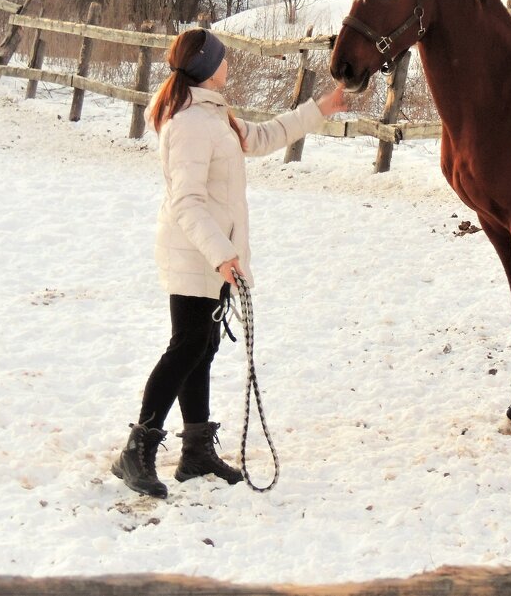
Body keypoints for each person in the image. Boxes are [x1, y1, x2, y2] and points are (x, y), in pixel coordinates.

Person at [113, 28, 346, 498]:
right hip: (196, 254)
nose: (228, 63)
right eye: (222, 57)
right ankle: (136, 451)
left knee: (201, 346)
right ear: (205, 66)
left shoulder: (213, 114)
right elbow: (188, 203)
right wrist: (223, 256)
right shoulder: (189, 125)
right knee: (186, 347)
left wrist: (319, 108)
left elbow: (261, 138)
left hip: (213, 254)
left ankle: (196, 450)